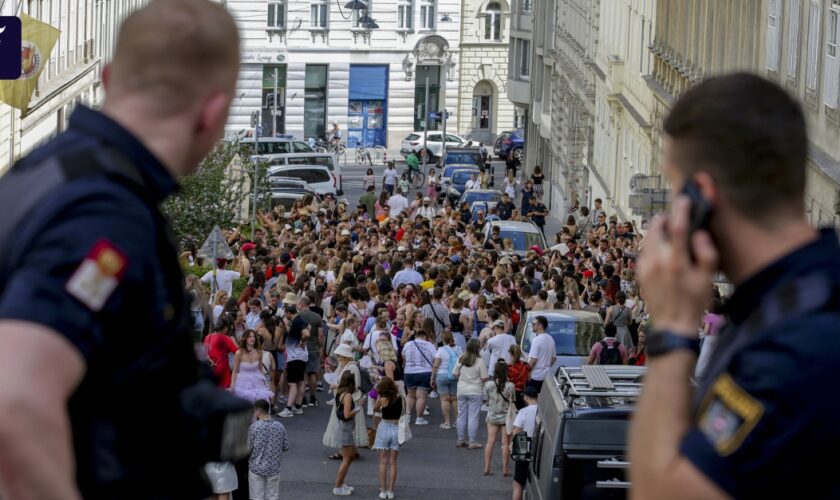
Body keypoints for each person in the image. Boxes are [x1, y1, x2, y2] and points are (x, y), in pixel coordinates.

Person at [0, 0, 241, 497]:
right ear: (213, 112)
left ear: (109, 78)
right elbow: (15, 402)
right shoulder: (104, 215)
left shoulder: (41, 175)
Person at [630, 74, 840, 499]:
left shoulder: (789, 347)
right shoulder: (805, 293)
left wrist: (671, 327)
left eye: (675, 193)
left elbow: (660, 492)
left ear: (701, 196)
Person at [247, 399, 289, 500]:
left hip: (256, 468)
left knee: (256, 496)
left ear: (258, 411)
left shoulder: (254, 427)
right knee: (272, 496)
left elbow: (248, 448)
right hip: (274, 467)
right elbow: (285, 447)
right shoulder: (280, 426)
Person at [454, 338, 489, 449]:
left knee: (461, 415)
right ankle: (472, 441)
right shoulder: (480, 361)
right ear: (477, 348)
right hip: (475, 390)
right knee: (473, 416)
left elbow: (455, 374)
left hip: (462, 389)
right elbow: (484, 378)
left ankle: (460, 439)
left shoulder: (461, 359)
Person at [372, 377, 403, 500]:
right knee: (393, 463)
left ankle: (383, 490)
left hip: (384, 427)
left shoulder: (382, 399)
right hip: (396, 428)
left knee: (383, 461)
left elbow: (375, 409)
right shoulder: (400, 398)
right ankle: (391, 490)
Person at [484, 359, 515, 477]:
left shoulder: (488, 385)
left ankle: (487, 467)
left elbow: (487, 399)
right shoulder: (510, 386)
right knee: (505, 443)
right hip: (505, 417)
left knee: (490, 441)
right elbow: (513, 401)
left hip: (492, 416)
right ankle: (505, 469)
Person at [278, 305, 310, 417]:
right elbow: (307, 328)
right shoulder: (299, 320)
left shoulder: (297, 321)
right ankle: (298, 406)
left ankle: (288, 408)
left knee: (292, 383)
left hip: (294, 356)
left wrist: (302, 342)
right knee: (300, 381)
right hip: (300, 356)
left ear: (287, 312)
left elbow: (306, 333)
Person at [333, 370, 361, 496]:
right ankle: (338, 486)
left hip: (343, 428)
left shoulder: (340, 392)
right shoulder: (348, 396)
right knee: (346, 458)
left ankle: (341, 482)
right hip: (345, 429)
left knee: (348, 458)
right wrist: (357, 409)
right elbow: (346, 414)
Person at [511, 385, 539, 500]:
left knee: (518, 483)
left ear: (527, 397)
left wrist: (512, 445)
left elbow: (517, 430)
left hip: (524, 448)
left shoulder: (523, 411)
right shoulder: (543, 411)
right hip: (539, 447)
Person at [431, 330, 462, 429]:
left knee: (444, 399)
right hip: (454, 376)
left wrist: (432, 378)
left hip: (441, 375)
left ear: (443, 339)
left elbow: (436, 366)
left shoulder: (440, 350)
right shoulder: (459, 349)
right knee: (454, 399)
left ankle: (447, 422)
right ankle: (457, 421)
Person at [526, 316, 555, 393]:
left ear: (540, 326)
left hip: (535, 376)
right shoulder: (551, 339)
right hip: (546, 376)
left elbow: (533, 359)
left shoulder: (536, 340)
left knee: (532, 398)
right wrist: (546, 366)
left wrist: (527, 372)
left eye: (534, 324)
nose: (532, 326)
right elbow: (553, 358)